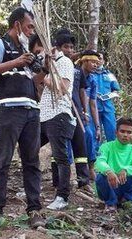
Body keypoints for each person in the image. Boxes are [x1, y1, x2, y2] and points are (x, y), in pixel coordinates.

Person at [0, 8, 45, 228]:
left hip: (31, 111)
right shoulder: (0, 44)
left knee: (32, 162)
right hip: (9, 109)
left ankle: (34, 210)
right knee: (3, 160)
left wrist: (46, 67)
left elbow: (34, 80)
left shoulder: (25, 49)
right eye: (29, 26)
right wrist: (16, 62)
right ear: (17, 25)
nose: (31, 31)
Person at [30, 35, 75, 211]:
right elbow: (35, 80)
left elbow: (62, 88)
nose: (39, 54)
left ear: (51, 48)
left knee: (61, 157)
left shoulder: (64, 63)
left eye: (40, 51)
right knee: (29, 149)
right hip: (44, 115)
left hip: (59, 115)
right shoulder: (48, 64)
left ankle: (62, 196)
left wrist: (47, 77)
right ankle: (32, 187)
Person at [52, 29, 91, 190]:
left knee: (80, 144)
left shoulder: (77, 70)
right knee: (59, 147)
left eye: (71, 47)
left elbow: (82, 90)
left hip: (76, 111)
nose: (69, 50)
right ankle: (58, 182)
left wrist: (84, 110)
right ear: (59, 47)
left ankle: (83, 181)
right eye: (66, 47)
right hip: (60, 110)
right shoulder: (53, 65)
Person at [95, 118, 132, 212]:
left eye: (129, 132)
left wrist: (126, 170)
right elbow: (99, 162)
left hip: (126, 185)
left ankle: (126, 199)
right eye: (122, 131)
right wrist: (109, 171)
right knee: (100, 178)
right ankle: (110, 203)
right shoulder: (106, 147)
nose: (125, 135)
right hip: (110, 185)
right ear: (116, 132)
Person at [77, 50, 101, 180]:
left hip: (85, 116)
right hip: (73, 112)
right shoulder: (74, 73)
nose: (95, 65)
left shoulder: (92, 80)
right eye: (93, 62)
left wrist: (97, 126)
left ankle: (90, 169)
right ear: (84, 61)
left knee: (90, 136)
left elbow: (93, 103)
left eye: (97, 63)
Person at [94, 52, 120, 141]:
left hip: (108, 108)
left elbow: (116, 90)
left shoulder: (109, 75)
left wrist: (109, 96)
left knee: (112, 132)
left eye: (100, 58)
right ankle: (97, 154)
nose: (98, 61)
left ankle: (112, 153)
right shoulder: (89, 74)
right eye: (96, 59)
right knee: (95, 134)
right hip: (94, 108)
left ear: (103, 61)